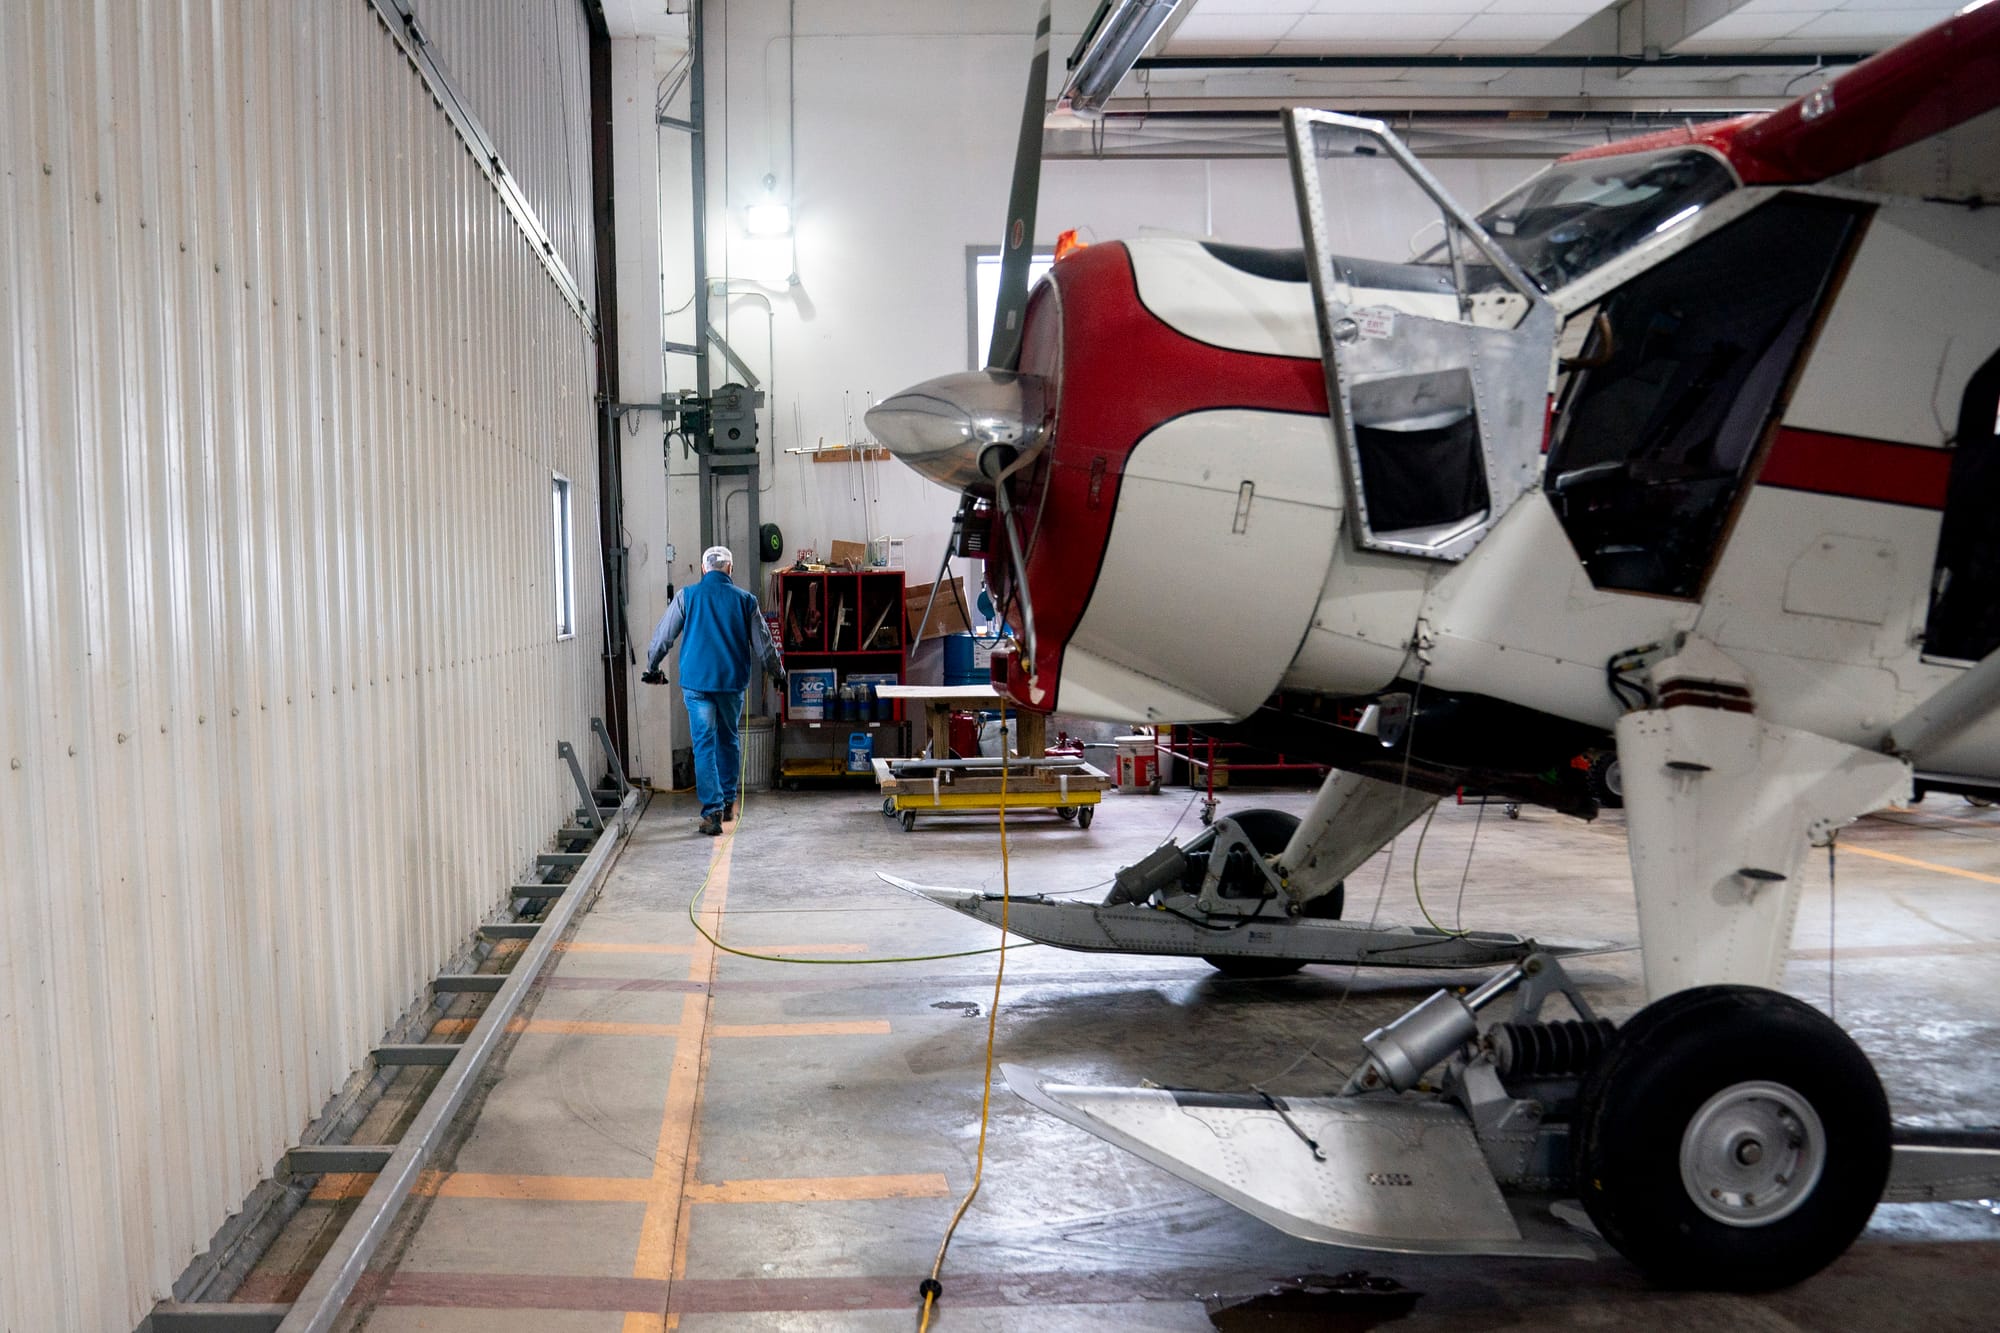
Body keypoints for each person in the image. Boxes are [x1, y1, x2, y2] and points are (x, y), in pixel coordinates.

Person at [640, 546, 785, 836]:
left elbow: (663, 635)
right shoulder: (746, 601)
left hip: (697, 685)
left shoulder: (687, 596)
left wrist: (652, 666)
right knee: (728, 738)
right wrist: (777, 672)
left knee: (704, 744)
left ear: (704, 569)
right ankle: (728, 801)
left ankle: (712, 812)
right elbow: (764, 645)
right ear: (730, 569)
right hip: (731, 684)